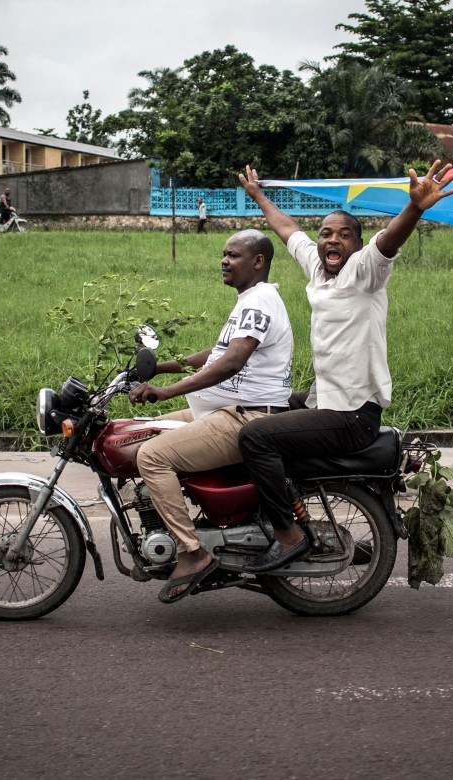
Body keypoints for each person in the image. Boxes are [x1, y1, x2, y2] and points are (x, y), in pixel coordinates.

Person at [234, 160, 453, 573]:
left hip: (352, 413)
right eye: (326, 233)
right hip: (328, 398)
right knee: (263, 407)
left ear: (356, 244)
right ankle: (271, 514)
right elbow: (288, 231)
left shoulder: (364, 272)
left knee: (255, 438)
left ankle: (288, 536)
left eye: (344, 234)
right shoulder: (318, 269)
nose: (332, 240)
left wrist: (415, 209)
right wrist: (259, 196)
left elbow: (388, 241)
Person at [129, 229, 293, 603]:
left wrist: (167, 391)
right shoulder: (251, 301)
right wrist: (160, 369)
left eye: (233, 255)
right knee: (137, 434)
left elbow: (233, 362)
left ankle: (192, 552)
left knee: (151, 455)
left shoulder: (259, 302)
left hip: (244, 416)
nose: (224, 260)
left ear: (258, 262)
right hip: (222, 410)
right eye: (223, 254)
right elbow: (217, 353)